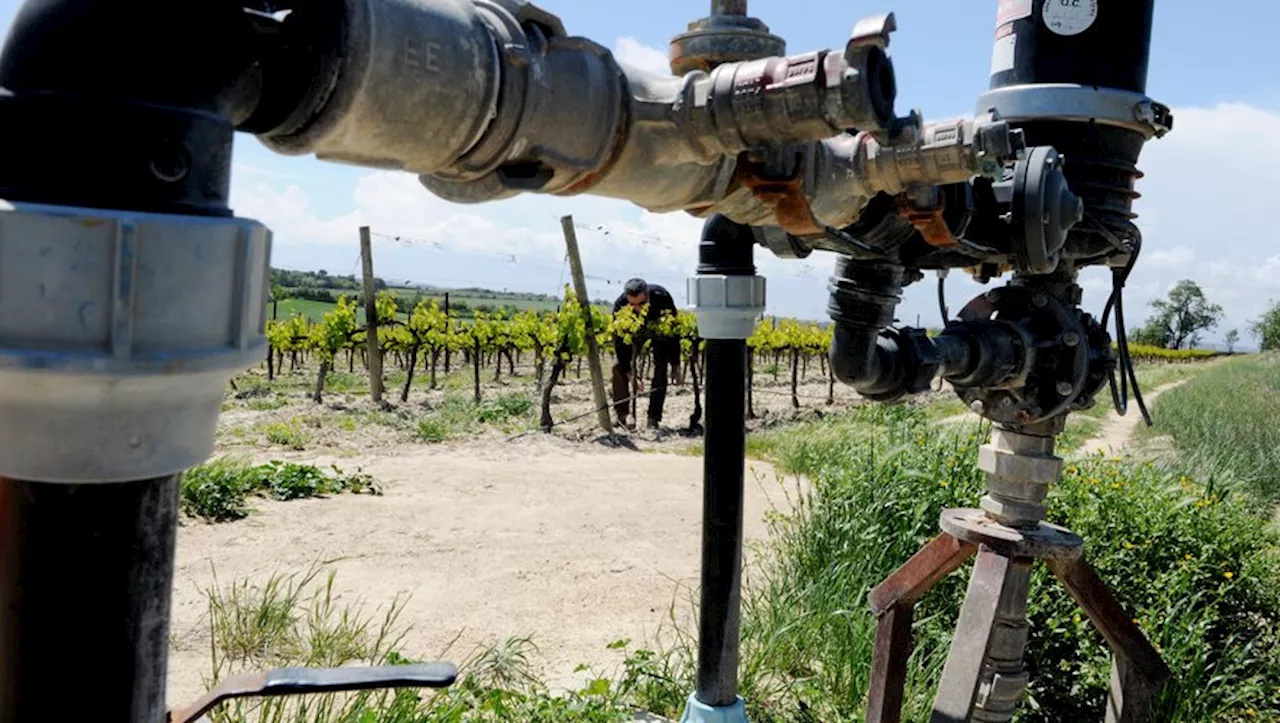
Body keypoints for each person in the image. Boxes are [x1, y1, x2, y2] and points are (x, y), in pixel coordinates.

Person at [611, 277, 680, 430]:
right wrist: (630, 374)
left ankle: (653, 418)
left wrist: (676, 364)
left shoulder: (662, 297)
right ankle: (622, 414)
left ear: (647, 295)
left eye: (642, 303)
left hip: (658, 334)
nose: (637, 308)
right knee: (617, 367)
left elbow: (673, 333)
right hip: (633, 333)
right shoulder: (619, 305)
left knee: (661, 367)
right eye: (632, 304)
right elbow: (619, 342)